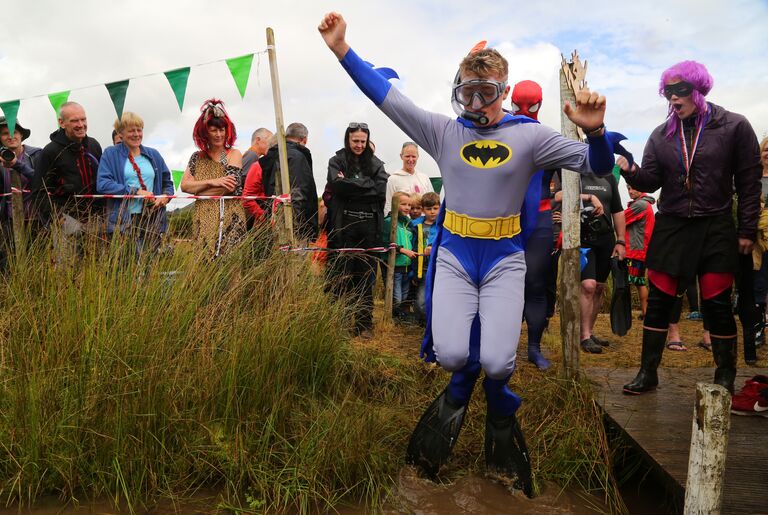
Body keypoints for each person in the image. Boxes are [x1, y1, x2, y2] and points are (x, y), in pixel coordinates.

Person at [319, 12, 618, 488]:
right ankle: (469, 402)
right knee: (455, 355)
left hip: (504, 259)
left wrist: (597, 132)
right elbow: (384, 96)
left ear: (503, 91)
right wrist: (341, 51)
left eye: (487, 92)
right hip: (456, 257)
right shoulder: (444, 132)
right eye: (467, 92)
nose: (476, 103)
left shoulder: (531, 136)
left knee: (499, 362)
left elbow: (597, 166)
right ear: (458, 89)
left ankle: (499, 415)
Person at [617, 61, 761, 395]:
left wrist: (747, 231)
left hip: (716, 225)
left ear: (699, 88)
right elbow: (650, 180)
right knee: (659, 302)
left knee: (717, 302)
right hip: (673, 225)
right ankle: (647, 373)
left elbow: (750, 183)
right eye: (667, 92)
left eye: (679, 90)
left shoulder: (734, 126)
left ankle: (724, 374)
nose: (673, 98)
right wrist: (628, 168)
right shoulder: (661, 134)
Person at [325, 122, 388, 338]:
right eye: (355, 141)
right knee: (341, 276)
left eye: (362, 141)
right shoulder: (336, 161)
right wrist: (365, 185)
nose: (359, 145)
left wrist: (350, 185)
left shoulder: (376, 163)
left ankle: (363, 324)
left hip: (370, 228)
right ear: (347, 140)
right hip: (344, 227)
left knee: (364, 278)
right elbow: (337, 186)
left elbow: (380, 190)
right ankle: (339, 323)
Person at [510, 79, 556, 370]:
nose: (524, 110)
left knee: (535, 284)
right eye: (519, 104)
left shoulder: (546, 137)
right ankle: (504, 346)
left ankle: (534, 347)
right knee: (505, 284)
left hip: (538, 218)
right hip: (506, 218)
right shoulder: (498, 132)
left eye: (531, 104)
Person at [554, 171, 626, 353]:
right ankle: (584, 336)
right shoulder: (574, 174)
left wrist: (621, 240)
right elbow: (558, 195)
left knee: (599, 287)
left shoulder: (608, 176)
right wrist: (589, 196)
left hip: (606, 237)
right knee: (588, 285)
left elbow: (617, 210)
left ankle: (589, 332)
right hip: (582, 239)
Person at [31, 101, 103, 257]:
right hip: (67, 219)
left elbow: (102, 180)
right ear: (61, 123)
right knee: (68, 271)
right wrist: (56, 217)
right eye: (74, 121)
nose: (81, 124)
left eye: (83, 119)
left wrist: (103, 213)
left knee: (97, 270)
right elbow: (38, 190)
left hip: (96, 219)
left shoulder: (94, 145)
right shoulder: (50, 151)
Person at [96, 112, 174, 256]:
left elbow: (167, 182)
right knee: (127, 267)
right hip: (123, 220)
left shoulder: (154, 154)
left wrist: (165, 196)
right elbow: (103, 184)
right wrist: (135, 191)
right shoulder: (110, 154)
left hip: (152, 218)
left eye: (139, 130)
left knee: (150, 265)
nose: (136, 134)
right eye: (131, 130)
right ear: (120, 133)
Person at [180, 99, 246, 258]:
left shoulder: (230, 154)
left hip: (230, 219)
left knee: (231, 269)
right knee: (204, 269)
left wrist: (198, 189)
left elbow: (230, 187)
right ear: (205, 132)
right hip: (203, 220)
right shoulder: (197, 157)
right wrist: (212, 181)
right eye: (214, 130)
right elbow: (184, 186)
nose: (219, 134)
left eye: (222, 129)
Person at [259, 123, 319, 241]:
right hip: (292, 228)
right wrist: (298, 229)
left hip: (274, 220)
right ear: (304, 139)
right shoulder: (297, 157)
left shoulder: (274, 154)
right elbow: (297, 193)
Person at [382, 190, 418, 320]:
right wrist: (402, 250)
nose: (407, 208)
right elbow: (385, 243)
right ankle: (393, 319)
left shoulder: (408, 224)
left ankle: (399, 318)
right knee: (395, 296)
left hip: (406, 267)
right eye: (404, 204)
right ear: (394, 204)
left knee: (404, 295)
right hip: (394, 266)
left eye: (409, 205)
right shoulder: (388, 222)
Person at [624, 184, 656, 320]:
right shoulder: (645, 204)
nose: (630, 192)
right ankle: (645, 312)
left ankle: (644, 312)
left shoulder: (640, 205)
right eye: (628, 189)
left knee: (636, 282)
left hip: (636, 250)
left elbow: (621, 219)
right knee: (639, 282)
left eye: (633, 188)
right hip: (641, 249)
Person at [0, 117, 41, 221]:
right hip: (8, 221)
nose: (11, 136)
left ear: (21, 134)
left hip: (36, 219)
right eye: (5, 133)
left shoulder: (36, 155)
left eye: (14, 132)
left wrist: (17, 164)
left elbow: (43, 181)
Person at [411, 191, 440, 321]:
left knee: (437, 297)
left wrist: (433, 247)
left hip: (438, 268)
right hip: (420, 269)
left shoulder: (443, 225)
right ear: (423, 209)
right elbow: (411, 244)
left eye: (435, 208)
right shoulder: (415, 225)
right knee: (421, 300)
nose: (432, 212)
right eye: (429, 209)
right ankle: (422, 323)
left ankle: (434, 323)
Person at [385, 142, 434, 215]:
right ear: (401, 156)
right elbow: (388, 206)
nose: (411, 159)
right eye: (407, 156)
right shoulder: (393, 179)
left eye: (413, 156)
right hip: (403, 225)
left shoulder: (424, 178)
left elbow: (432, 202)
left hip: (424, 224)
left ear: (418, 156)